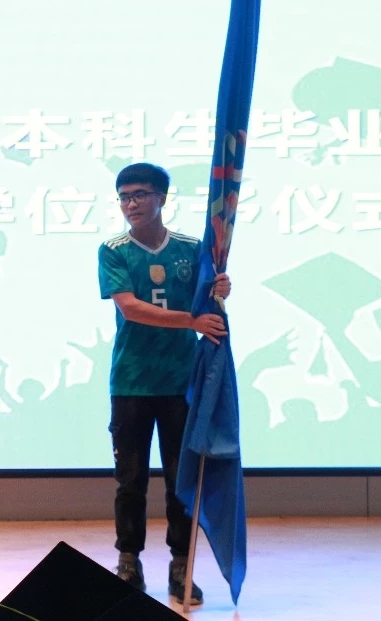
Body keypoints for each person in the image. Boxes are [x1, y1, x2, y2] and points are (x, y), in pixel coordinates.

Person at [98, 162, 231, 607]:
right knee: (130, 480)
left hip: (180, 382)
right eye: (124, 197)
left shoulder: (192, 249)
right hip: (131, 382)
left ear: (162, 198)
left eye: (139, 194)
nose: (131, 203)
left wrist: (219, 288)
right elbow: (131, 308)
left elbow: (207, 298)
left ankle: (181, 566)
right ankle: (128, 562)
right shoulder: (114, 250)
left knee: (181, 480)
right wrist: (191, 321)